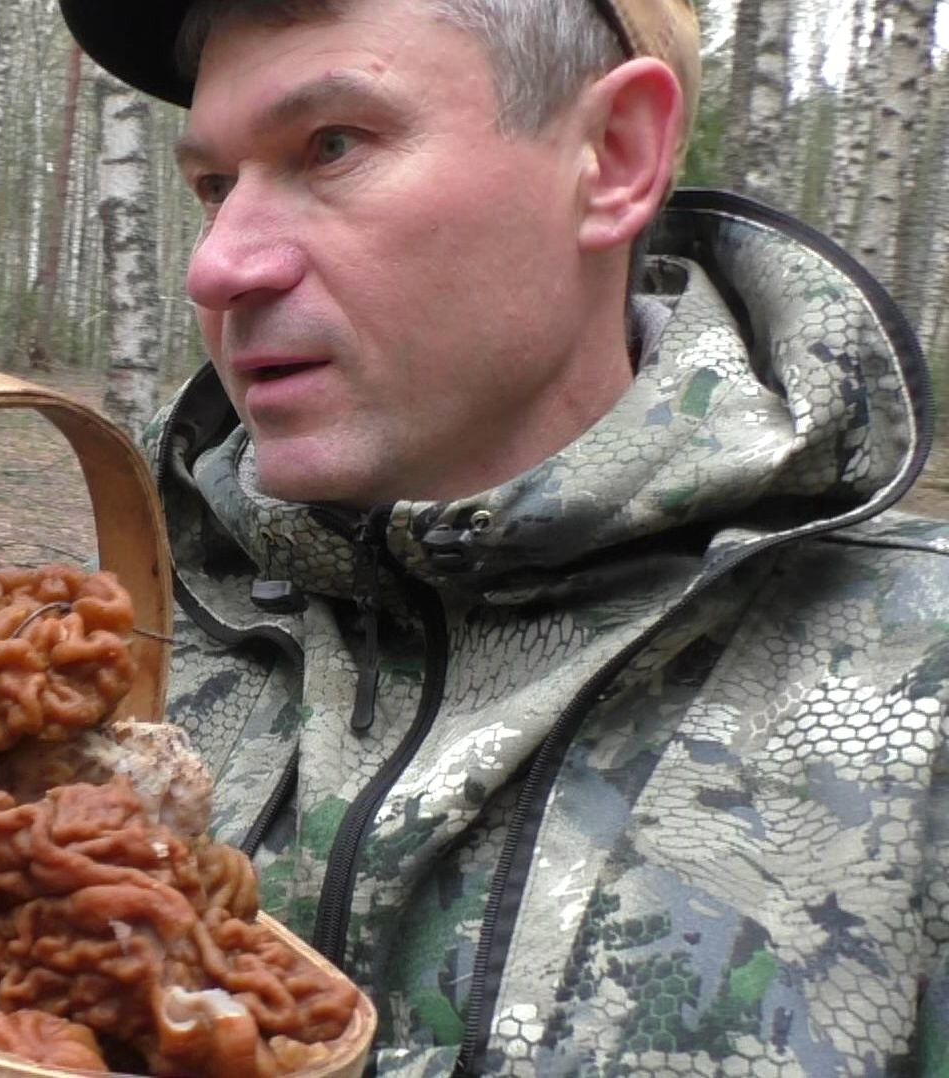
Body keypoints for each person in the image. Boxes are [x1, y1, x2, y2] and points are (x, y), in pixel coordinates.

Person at [59, 0, 947, 1073]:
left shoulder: (919, 701)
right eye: (213, 185)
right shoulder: (125, 631)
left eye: (331, 145)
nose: (218, 266)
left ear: (613, 158)